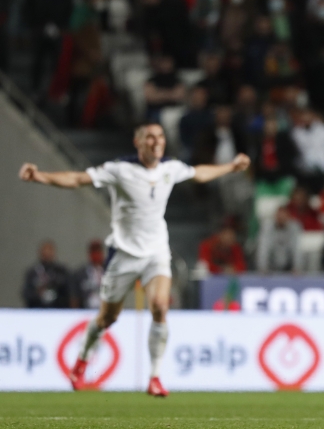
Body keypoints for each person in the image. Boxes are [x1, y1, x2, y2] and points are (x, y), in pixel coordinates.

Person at [19, 123, 250, 396]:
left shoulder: (170, 167)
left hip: (156, 252)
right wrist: (40, 176)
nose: (156, 141)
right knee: (107, 318)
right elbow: (77, 178)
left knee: (161, 306)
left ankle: (154, 378)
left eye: (160, 136)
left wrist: (230, 167)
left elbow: (199, 173)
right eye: (150, 137)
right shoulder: (119, 169)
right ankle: (81, 361)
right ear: (137, 142)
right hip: (124, 255)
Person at [21, 241, 71, 308]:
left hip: (58, 308)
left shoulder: (62, 271)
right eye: (45, 251)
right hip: (37, 308)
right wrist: (37, 293)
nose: (47, 254)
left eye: (49, 251)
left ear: (53, 253)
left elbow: (69, 292)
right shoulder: (32, 272)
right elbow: (26, 293)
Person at [70, 241, 106, 309]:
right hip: (86, 309)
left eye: (98, 252)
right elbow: (74, 297)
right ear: (89, 254)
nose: (96, 255)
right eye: (94, 252)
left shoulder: (109, 272)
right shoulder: (80, 274)